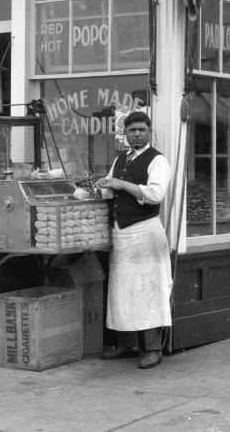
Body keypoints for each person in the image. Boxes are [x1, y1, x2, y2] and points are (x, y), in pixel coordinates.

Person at [95, 111, 172, 369]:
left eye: (142, 129)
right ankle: (126, 344)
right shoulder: (121, 158)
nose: (137, 134)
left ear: (150, 132)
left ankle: (152, 349)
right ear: (125, 134)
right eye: (132, 130)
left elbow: (155, 194)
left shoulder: (157, 160)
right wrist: (103, 187)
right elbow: (111, 190)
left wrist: (120, 183)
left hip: (145, 233)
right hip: (122, 235)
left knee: (148, 290)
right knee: (123, 290)